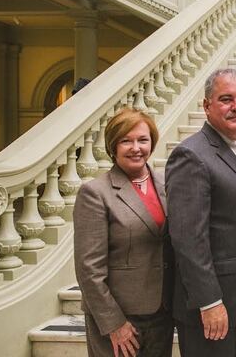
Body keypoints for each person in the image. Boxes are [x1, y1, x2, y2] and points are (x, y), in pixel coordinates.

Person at [165, 68, 236, 357]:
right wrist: (209, 302)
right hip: (214, 308)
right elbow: (188, 239)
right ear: (206, 105)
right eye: (226, 99)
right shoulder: (191, 155)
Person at [74, 108, 173, 357]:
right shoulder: (95, 193)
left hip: (162, 313)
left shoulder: (167, 184)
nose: (136, 147)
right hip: (119, 319)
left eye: (142, 139)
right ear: (112, 146)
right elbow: (89, 269)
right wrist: (114, 324)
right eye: (126, 141)